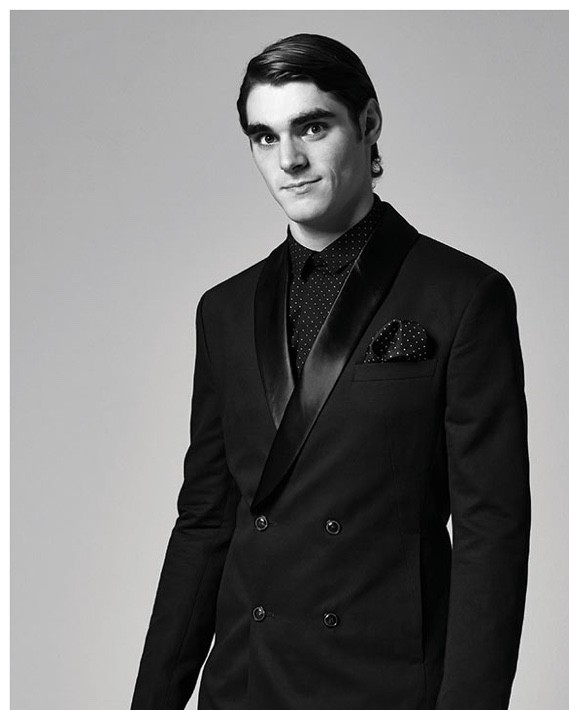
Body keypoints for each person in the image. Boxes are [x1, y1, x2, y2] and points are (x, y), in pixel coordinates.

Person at [130, 32, 531, 710]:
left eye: (312, 127)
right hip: (245, 685)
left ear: (368, 123)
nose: (288, 159)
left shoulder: (463, 296)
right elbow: (205, 521)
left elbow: (491, 530)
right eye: (264, 137)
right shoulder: (223, 310)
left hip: (384, 686)